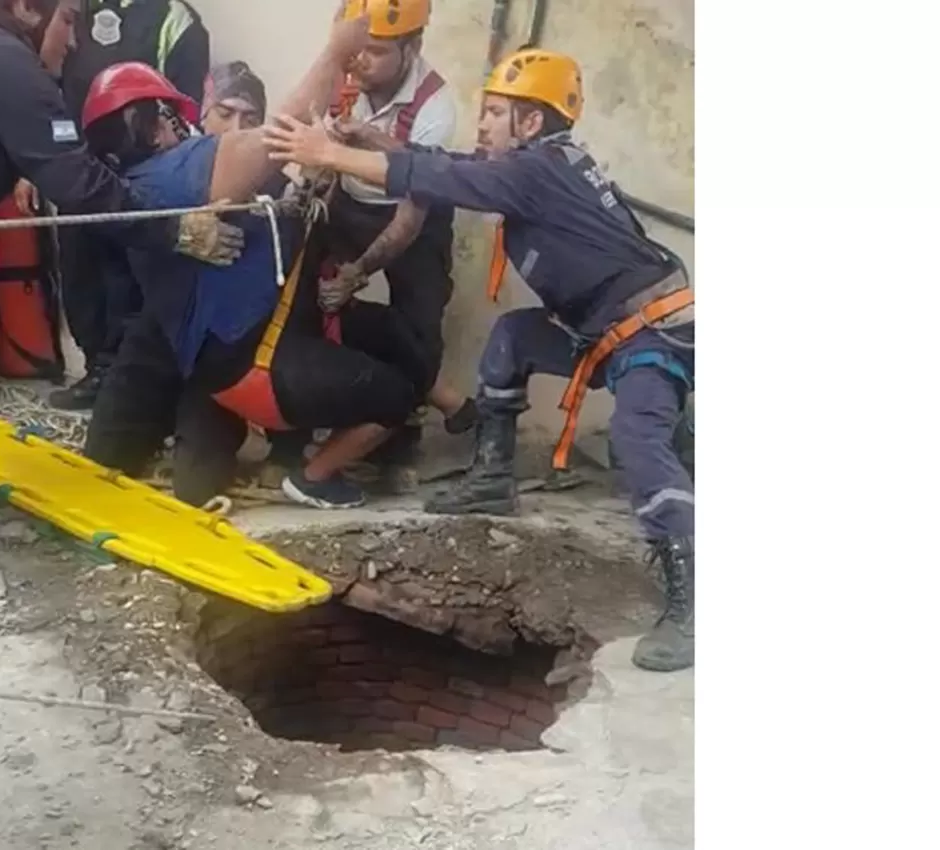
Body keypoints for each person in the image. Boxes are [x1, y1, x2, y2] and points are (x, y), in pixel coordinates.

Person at [264, 48, 696, 671]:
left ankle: (694, 600)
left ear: (531, 123)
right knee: (512, 341)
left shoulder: (534, 172)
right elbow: (445, 164)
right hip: (605, 330)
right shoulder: (540, 164)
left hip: (655, 334)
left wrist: (330, 154)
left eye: (496, 112)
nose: (483, 122)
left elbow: (441, 180)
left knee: (636, 440)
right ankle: (492, 479)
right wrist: (371, 138)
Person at [81, 17, 436, 510]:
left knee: (190, 478)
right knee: (396, 392)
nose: (235, 129)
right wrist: (335, 54)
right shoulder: (177, 174)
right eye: (224, 113)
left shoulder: (149, 187)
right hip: (250, 359)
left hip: (228, 353)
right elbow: (275, 140)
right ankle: (313, 477)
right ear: (152, 123)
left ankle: (148, 461)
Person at [0, 0, 241, 455]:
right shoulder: (2, 61)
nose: (75, 43)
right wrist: (176, 231)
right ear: (25, 9)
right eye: (68, 22)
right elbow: (73, 177)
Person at [261, 0, 474, 494]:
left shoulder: (435, 107)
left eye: (376, 52)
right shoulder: (342, 78)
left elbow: (410, 216)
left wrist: (357, 272)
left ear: (413, 48)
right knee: (294, 293)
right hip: (348, 199)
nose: (360, 61)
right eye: (358, 48)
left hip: (411, 209)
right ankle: (288, 441)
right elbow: (321, 169)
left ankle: (396, 449)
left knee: (419, 324)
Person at [40, 0, 214, 412]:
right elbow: (49, 86)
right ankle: (97, 369)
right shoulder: (75, 7)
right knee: (80, 273)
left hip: (140, 177)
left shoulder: (176, 19)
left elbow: (182, 109)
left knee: (127, 283)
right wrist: (33, 169)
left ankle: (124, 378)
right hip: (78, 170)